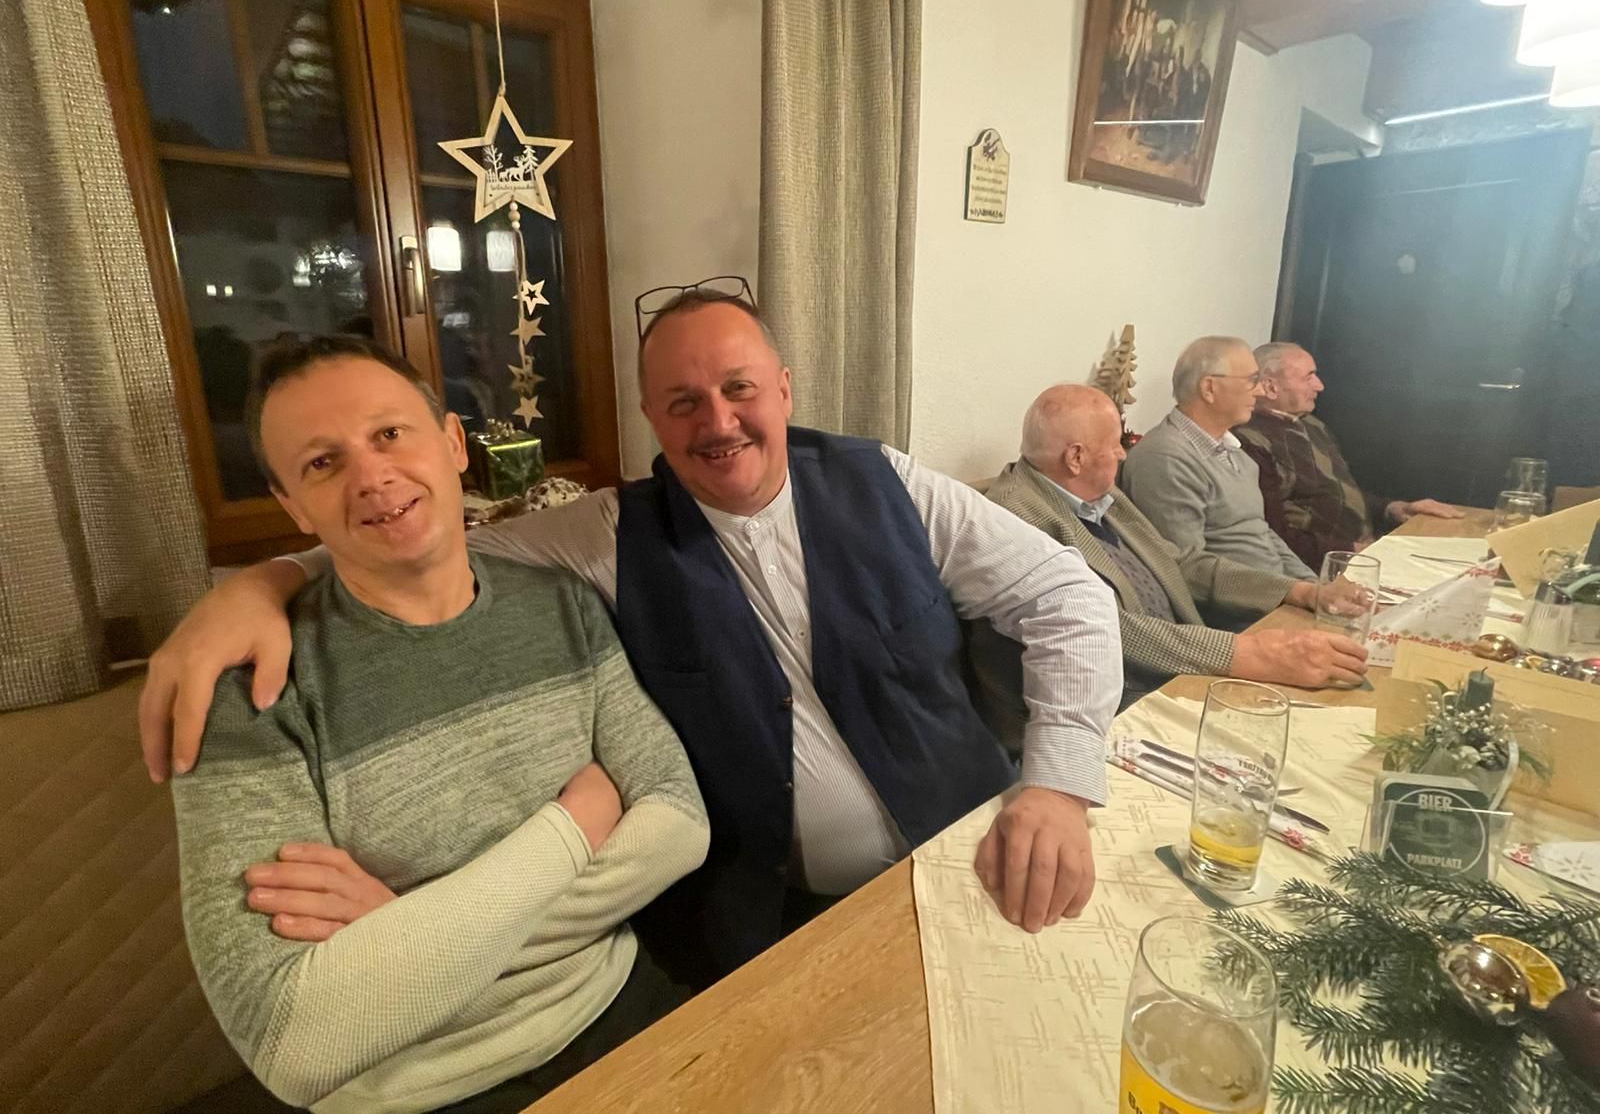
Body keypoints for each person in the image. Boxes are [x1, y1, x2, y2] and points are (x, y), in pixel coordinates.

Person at [141, 280, 1123, 982]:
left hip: (979, 859)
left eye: (739, 388)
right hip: (767, 935)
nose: (718, 421)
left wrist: (1056, 785)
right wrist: (260, 583)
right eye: (684, 402)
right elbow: (415, 538)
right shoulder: (604, 536)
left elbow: (1070, 599)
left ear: (783, 388)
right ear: (652, 416)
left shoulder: (891, 483)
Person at [172, 337, 708, 1112]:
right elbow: (290, 1040)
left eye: (390, 434)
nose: (371, 476)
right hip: (422, 1091)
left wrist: (415, 936)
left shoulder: (560, 605)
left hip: (620, 1009)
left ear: (454, 443)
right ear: (292, 505)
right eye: (322, 463)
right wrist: (573, 825)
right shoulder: (247, 688)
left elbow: (680, 823)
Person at [969, 385, 1368, 727]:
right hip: (1115, 706)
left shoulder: (1098, 495)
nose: (1123, 455)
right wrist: (1252, 654)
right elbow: (1096, 627)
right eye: (1116, 444)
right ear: (1076, 458)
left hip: (1179, 673)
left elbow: (1181, 564)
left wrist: (1299, 591)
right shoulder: (1015, 517)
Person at [1237, 342, 1462, 572]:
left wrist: (1393, 508)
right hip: (1318, 569)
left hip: (1363, 552)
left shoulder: (1312, 425)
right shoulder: (1250, 441)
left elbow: (1337, 492)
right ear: (1270, 387)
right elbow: (1272, 532)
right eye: (1308, 377)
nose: (1319, 386)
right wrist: (1351, 550)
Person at [1122, 336, 1316, 582]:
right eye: (1251, 380)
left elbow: (1262, 533)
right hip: (1238, 605)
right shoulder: (1165, 458)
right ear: (1209, 388)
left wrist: (1314, 587)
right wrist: (1298, 593)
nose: (1259, 391)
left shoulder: (1235, 453)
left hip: (1277, 595)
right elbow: (1187, 568)